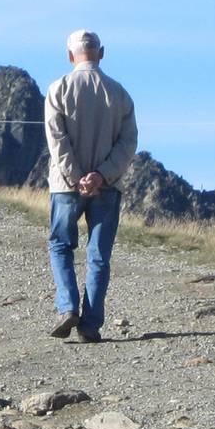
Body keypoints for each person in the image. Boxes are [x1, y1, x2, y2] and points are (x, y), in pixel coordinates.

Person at [44, 29, 138, 343]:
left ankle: (68, 307)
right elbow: (128, 143)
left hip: (66, 187)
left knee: (61, 246)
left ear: (70, 55)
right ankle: (91, 324)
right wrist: (101, 175)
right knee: (99, 255)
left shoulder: (58, 89)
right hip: (107, 188)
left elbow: (56, 141)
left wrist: (77, 176)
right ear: (101, 52)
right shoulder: (120, 93)